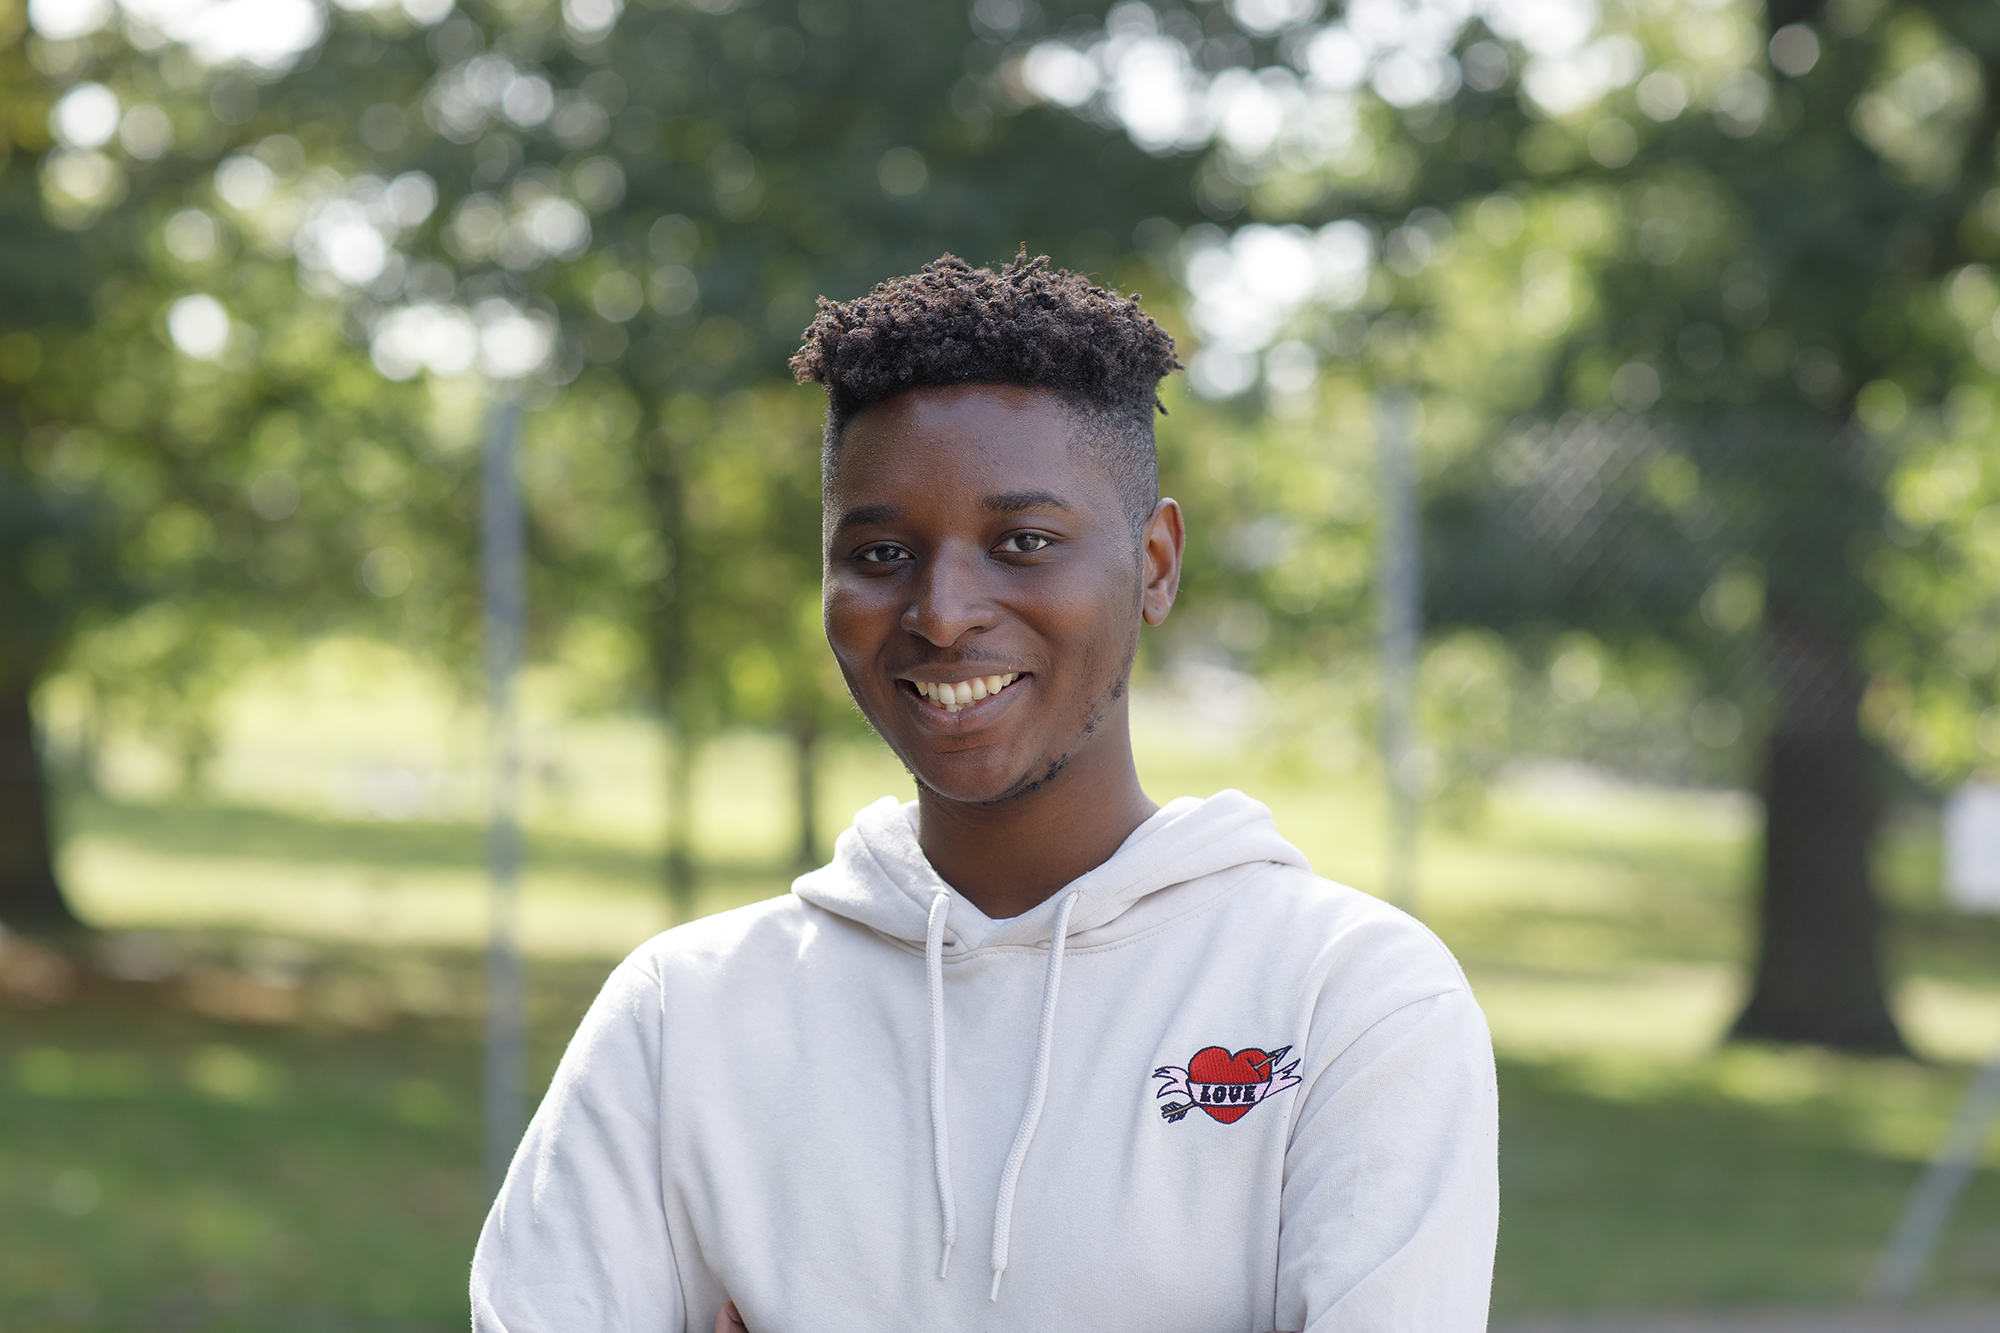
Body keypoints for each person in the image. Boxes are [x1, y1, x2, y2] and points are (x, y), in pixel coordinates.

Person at [470, 253, 1497, 1333]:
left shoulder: (1346, 997)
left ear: (1153, 563)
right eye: (879, 551)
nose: (943, 610)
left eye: (1022, 542)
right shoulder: (682, 1014)